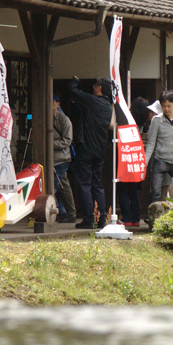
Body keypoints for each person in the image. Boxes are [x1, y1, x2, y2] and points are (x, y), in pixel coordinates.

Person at [67, 76, 114, 230]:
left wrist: (75, 80)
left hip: (86, 149)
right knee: (97, 185)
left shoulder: (93, 101)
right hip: (100, 151)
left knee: (84, 184)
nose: (93, 88)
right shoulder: (107, 106)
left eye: (95, 85)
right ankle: (100, 220)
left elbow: (72, 91)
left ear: (99, 88)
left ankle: (88, 219)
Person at [115, 97, 152, 228]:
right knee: (134, 190)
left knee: (123, 190)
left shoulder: (128, 123)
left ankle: (127, 219)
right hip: (138, 159)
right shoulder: (146, 124)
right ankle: (136, 219)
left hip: (126, 158)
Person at [52, 95, 76, 224]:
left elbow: (67, 140)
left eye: (51, 102)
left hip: (61, 159)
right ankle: (70, 213)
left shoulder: (64, 119)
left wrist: (50, 143)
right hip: (51, 159)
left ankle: (60, 212)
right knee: (63, 186)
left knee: (52, 187)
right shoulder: (45, 117)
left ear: (57, 103)